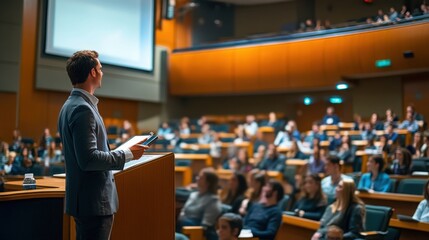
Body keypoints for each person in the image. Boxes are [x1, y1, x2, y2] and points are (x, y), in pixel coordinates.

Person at [58, 50, 148, 240]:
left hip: (85, 202)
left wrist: (122, 151)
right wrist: (127, 154)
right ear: (92, 72)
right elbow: (89, 159)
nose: (102, 72)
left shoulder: (70, 105)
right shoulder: (83, 108)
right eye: (100, 68)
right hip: (93, 203)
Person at [177, 168, 222, 240]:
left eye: (201, 177)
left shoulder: (213, 200)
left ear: (208, 183)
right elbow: (184, 211)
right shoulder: (193, 195)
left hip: (196, 232)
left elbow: (205, 226)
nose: (197, 178)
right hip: (182, 226)